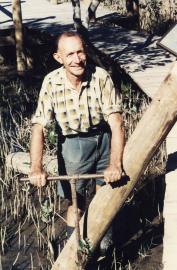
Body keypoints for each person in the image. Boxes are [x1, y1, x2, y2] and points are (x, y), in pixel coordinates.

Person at [28, 31, 125, 252]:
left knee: (106, 194)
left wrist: (116, 163)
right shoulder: (51, 82)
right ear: (58, 58)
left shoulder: (100, 76)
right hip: (73, 144)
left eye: (80, 51)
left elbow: (116, 122)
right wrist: (36, 167)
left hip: (104, 139)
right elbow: (38, 126)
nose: (77, 59)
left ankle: (105, 248)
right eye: (69, 54)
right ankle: (75, 251)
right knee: (76, 201)